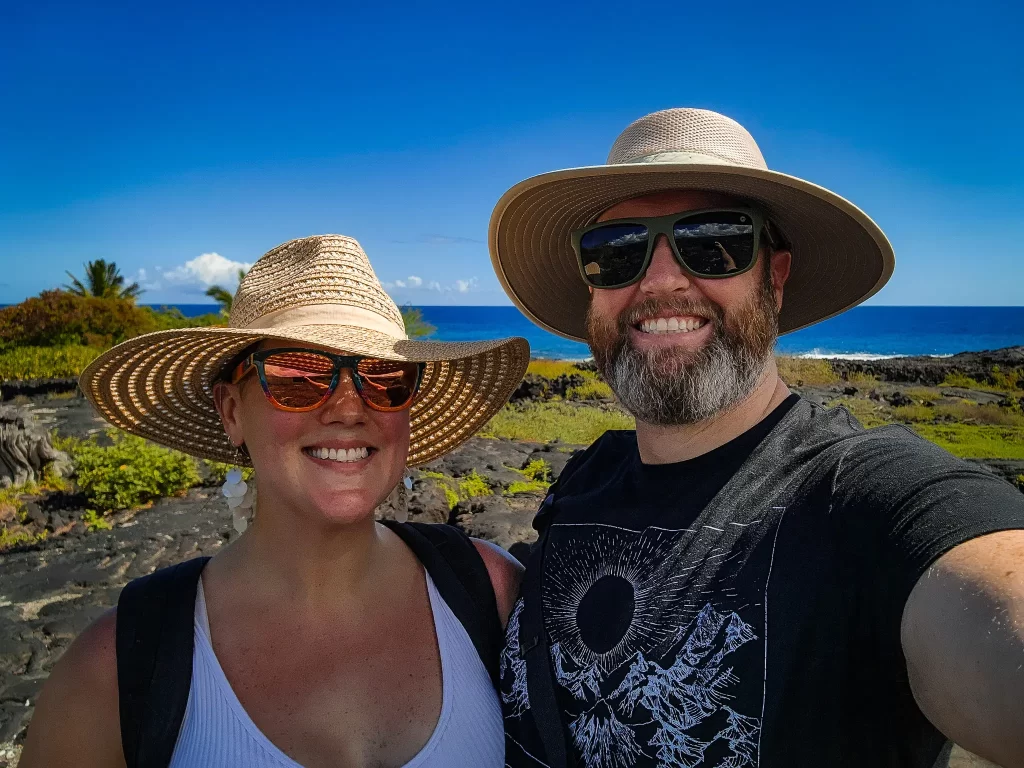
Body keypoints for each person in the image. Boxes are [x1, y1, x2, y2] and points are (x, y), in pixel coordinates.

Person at [488, 108, 1024, 768]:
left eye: (713, 240)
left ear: (774, 274)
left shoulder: (863, 498)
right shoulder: (586, 476)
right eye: (617, 252)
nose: (658, 282)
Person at [20, 234, 530, 768]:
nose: (349, 408)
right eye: (297, 375)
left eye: (384, 376)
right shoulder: (113, 671)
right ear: (231, 411)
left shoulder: (492, 594)